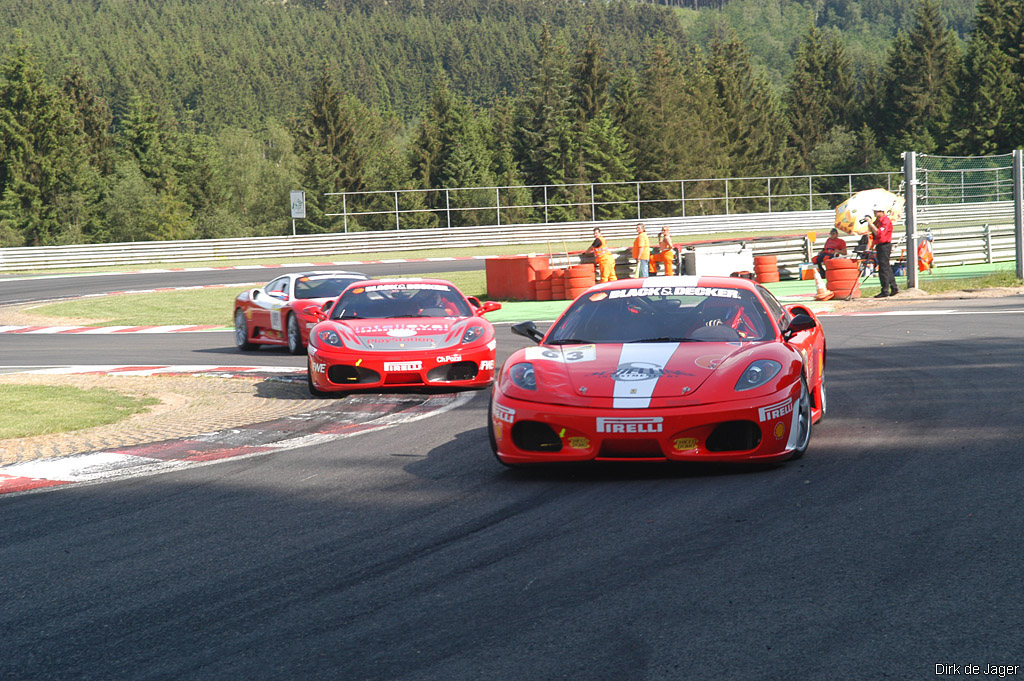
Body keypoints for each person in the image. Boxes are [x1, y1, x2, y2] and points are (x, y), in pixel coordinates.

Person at [866, 204, 898, 297]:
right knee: (886, 267)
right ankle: (894, 287)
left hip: (885, 245)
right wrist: (870, 223)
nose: (874, 213)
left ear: (881, 211)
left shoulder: (885, 221)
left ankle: (885, 290)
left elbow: (879, 233)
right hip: (879, 245)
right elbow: (871, 231)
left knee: (883, 269)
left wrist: (871, 224)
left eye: (876, 211)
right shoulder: (878, 221)